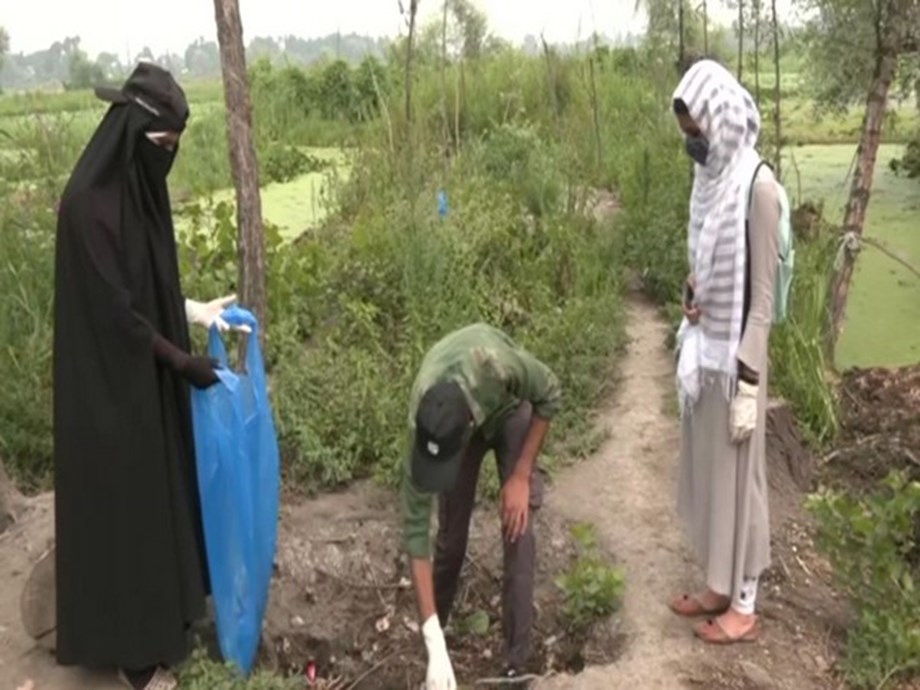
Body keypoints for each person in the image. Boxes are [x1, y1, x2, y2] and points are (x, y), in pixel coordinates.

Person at [53, 63, 240, 690]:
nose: (170, 159)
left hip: (145, 376)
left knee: (158, 504)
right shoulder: (88, 208)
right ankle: (132, 658)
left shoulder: (140, 190)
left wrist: (190, 311)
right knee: (124, 515)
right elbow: (116, 317)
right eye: (164, 146)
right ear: (134, 130)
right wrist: (182, 363)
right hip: (106, 391)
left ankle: (166, 626)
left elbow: (147, 286)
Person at [668, 59, 780, 644]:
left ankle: (743, 603)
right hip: (706, 353)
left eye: (698, 132)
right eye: (687, 135)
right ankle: (716, 584)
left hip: (740, 364)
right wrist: (693, 299)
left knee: (743, 481)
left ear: (722, 118)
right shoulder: (708, 183)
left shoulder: (758, 188)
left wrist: (749, 375)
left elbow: (760, 299)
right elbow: (706, 272)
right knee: (712, 474)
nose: (694, 144)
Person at [402, 323, 562, 688]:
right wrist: (433, 641)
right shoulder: (423, 424)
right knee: (450, 539)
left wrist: (521, 474)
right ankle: (435, 643)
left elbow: (550, 393)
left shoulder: (497, 366)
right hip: (455, 425)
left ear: (468, 426)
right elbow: (415, 534)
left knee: (517, 528)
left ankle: (517, 665)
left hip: (508, 411)